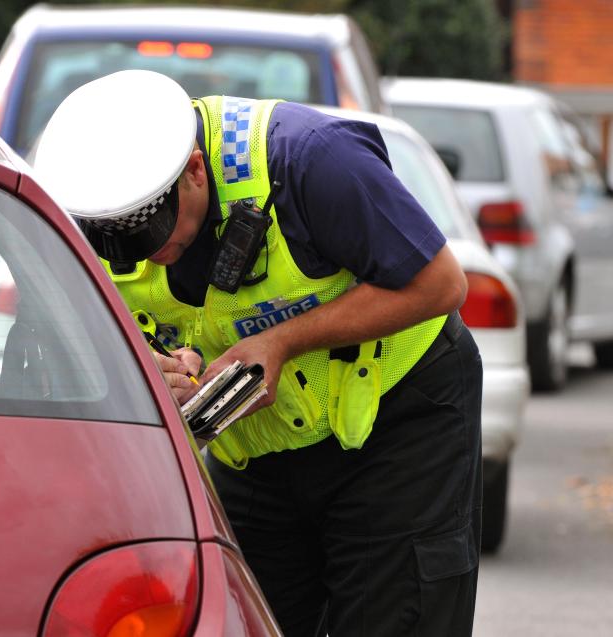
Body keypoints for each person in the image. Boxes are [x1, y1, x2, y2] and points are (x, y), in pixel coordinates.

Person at [32, 70, 482, 637]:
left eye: (154, 233)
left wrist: (282, 340)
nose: (151, 257)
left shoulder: (309, 160)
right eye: (116, 245)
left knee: (392, 617)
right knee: (244, 621)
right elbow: (63, 347)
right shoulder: (88, 212)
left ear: (195, 169)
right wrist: (145, 371)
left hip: (398, 427)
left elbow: (440, 285)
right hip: (258, 444)